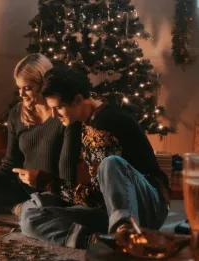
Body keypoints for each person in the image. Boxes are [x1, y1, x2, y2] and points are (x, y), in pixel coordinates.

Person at [19, 64, 170, 248]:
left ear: (77, 99)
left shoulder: (108, 121)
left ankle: (125, 234)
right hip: (108, 209)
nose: (53, 114)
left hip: (147, 207)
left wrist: (46, 182)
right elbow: (95, 197)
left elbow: (95, 195)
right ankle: (95, 242)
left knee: (111, 164)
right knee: (30, 216)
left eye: (58, 108)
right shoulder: (84, 120)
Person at [0, 54, 80, 213]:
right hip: (20, 188)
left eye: (27, 88)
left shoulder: (64, 117)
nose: (21, 94)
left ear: (44, 85)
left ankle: (25, 209)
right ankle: (19, 208)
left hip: (51, 191)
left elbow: (67, 180)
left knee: (48, 209)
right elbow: (10, 164)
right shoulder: (17, 113)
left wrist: (41, 181)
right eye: (19, 88)